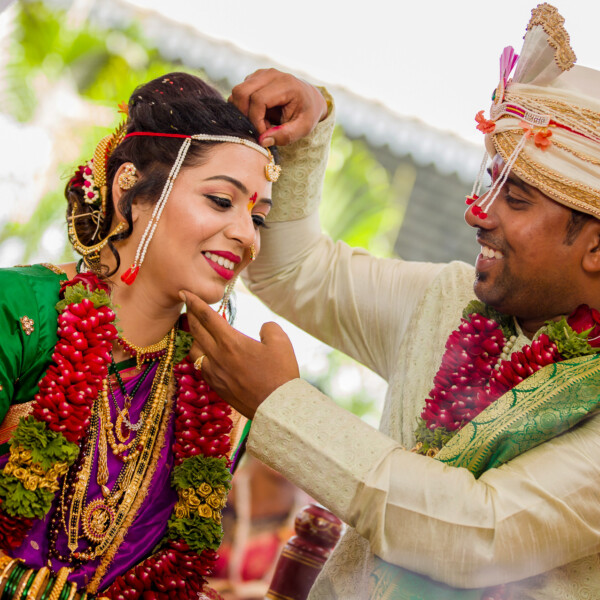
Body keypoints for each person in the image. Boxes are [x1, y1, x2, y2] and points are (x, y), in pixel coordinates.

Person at [182, 4, 600, 599]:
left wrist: (283, 406)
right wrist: (310, 127)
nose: (478, 214)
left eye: (518, 199)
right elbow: (296, 272)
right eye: (491, 184)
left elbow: (477, 533)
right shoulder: (447, 300)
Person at [0, 71, 280, 599]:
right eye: (221, 201)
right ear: (130, 187)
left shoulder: (221, 394)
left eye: (258, 218)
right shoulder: (19, 312)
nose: (247, 236)